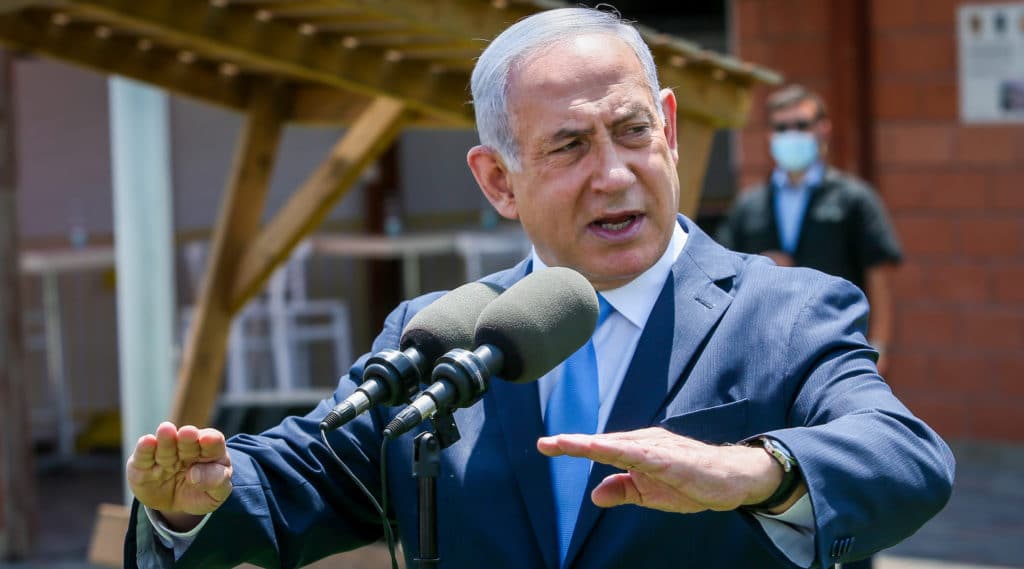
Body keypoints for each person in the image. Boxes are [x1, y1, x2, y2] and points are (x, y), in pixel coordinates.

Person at [124, 8, 953, 568]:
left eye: (632, 131)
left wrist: (754, 470)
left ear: (669, 128)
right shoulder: (441, 331)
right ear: (498, 180)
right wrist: (190, 500)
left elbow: (906, 455)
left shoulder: (788, 311)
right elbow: (306, 473)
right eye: (569, 146)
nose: (614, 174)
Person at [715, 85, 902, 375]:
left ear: (823, 129)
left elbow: (880, 278)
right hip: (766, 351)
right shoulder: (748, 205)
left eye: (801, 125)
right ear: (769, 135)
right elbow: (723, 271)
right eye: (781, 127)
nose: (791, 135)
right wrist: (759, 265)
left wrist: (879, 347)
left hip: (837, 347)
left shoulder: (854, 199)